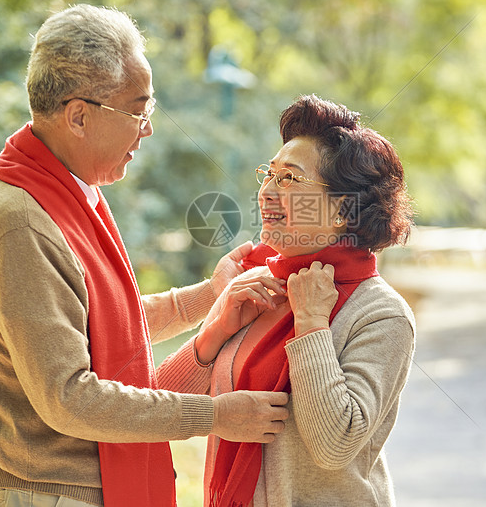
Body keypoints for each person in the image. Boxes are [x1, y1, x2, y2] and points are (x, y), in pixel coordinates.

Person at [0, 4, 289, 507]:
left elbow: (96, 327)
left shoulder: (63, 189)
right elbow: (70, 397)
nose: (147, 129)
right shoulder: (19, 219)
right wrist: (215, 414)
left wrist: (209, 296)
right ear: (79, 115)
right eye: (139, 111)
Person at [158, 94, 417, 506]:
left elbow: (336, 444)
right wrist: (216, 329)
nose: (267, 192)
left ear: (340, 210)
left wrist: (312, 323)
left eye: (290, 179)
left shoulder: (379, 314)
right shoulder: (256, 286)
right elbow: (157, 403)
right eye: (269, 173)